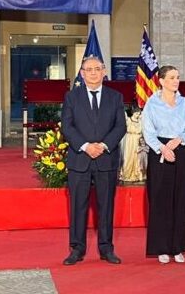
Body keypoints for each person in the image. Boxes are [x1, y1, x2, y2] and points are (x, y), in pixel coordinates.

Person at [60, 55, 127, 266]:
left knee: (106, 206)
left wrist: (104, 146)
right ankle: (77, 249)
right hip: (80, 159)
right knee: (77, 207)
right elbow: (67, 127)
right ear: (82, 73)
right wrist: (86, 146)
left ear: (104, 71)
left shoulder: (115, 97)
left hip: (106, 159)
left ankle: (106, 249)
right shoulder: (72, 97)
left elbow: (120, 127)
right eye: (89, 69)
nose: (93, 73)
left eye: (97, 69)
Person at [142, 65, 185, 264]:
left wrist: (179, 141)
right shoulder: (152, 104)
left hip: (183, 151)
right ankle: (161, 247)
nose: (176, 81)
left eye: (177, 77)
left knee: (181, 199)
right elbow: (148, 131)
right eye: (172, 77)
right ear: (161, 81)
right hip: (160, 152)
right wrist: (162, 149)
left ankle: (178, 247)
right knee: (160, 200)